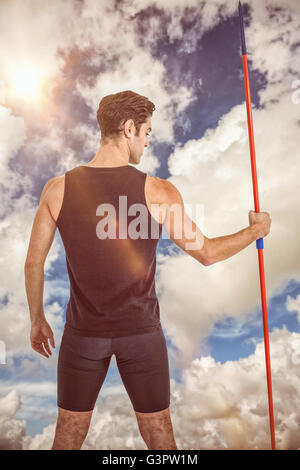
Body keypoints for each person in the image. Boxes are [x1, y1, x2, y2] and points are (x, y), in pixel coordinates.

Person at [24, 90, 272, 450]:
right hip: (141, 337)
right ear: (129, 129)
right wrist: (256, 231)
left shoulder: (56, 189)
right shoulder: (158, 192)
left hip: (82, 336)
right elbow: (207, 253)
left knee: (67, 436)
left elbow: (34, 263)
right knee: (160, 438)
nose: (147, 141)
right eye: (147, 132)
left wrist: (36, 319)